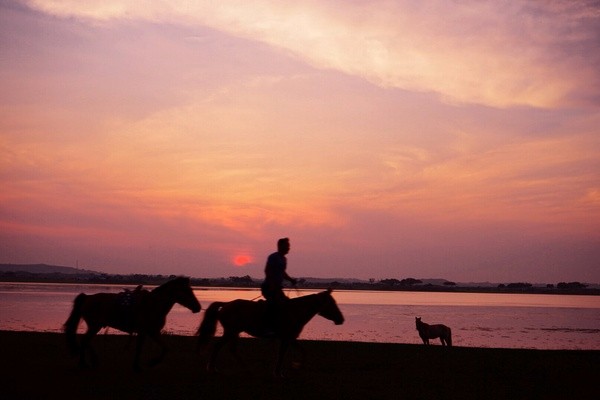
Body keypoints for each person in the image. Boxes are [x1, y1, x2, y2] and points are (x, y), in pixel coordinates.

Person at [260, 237, 297, 333]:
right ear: (281, 246)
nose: (289, 248)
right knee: (273, 303)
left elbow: (282, 273)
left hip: (277, 288)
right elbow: (267, 271)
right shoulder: (273, 257)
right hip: (268, 287)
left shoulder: (284, 259)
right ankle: (266, 326)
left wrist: (291, 280)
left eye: (289, 246)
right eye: (287, 246)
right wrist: (272, 284)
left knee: (286, 304)